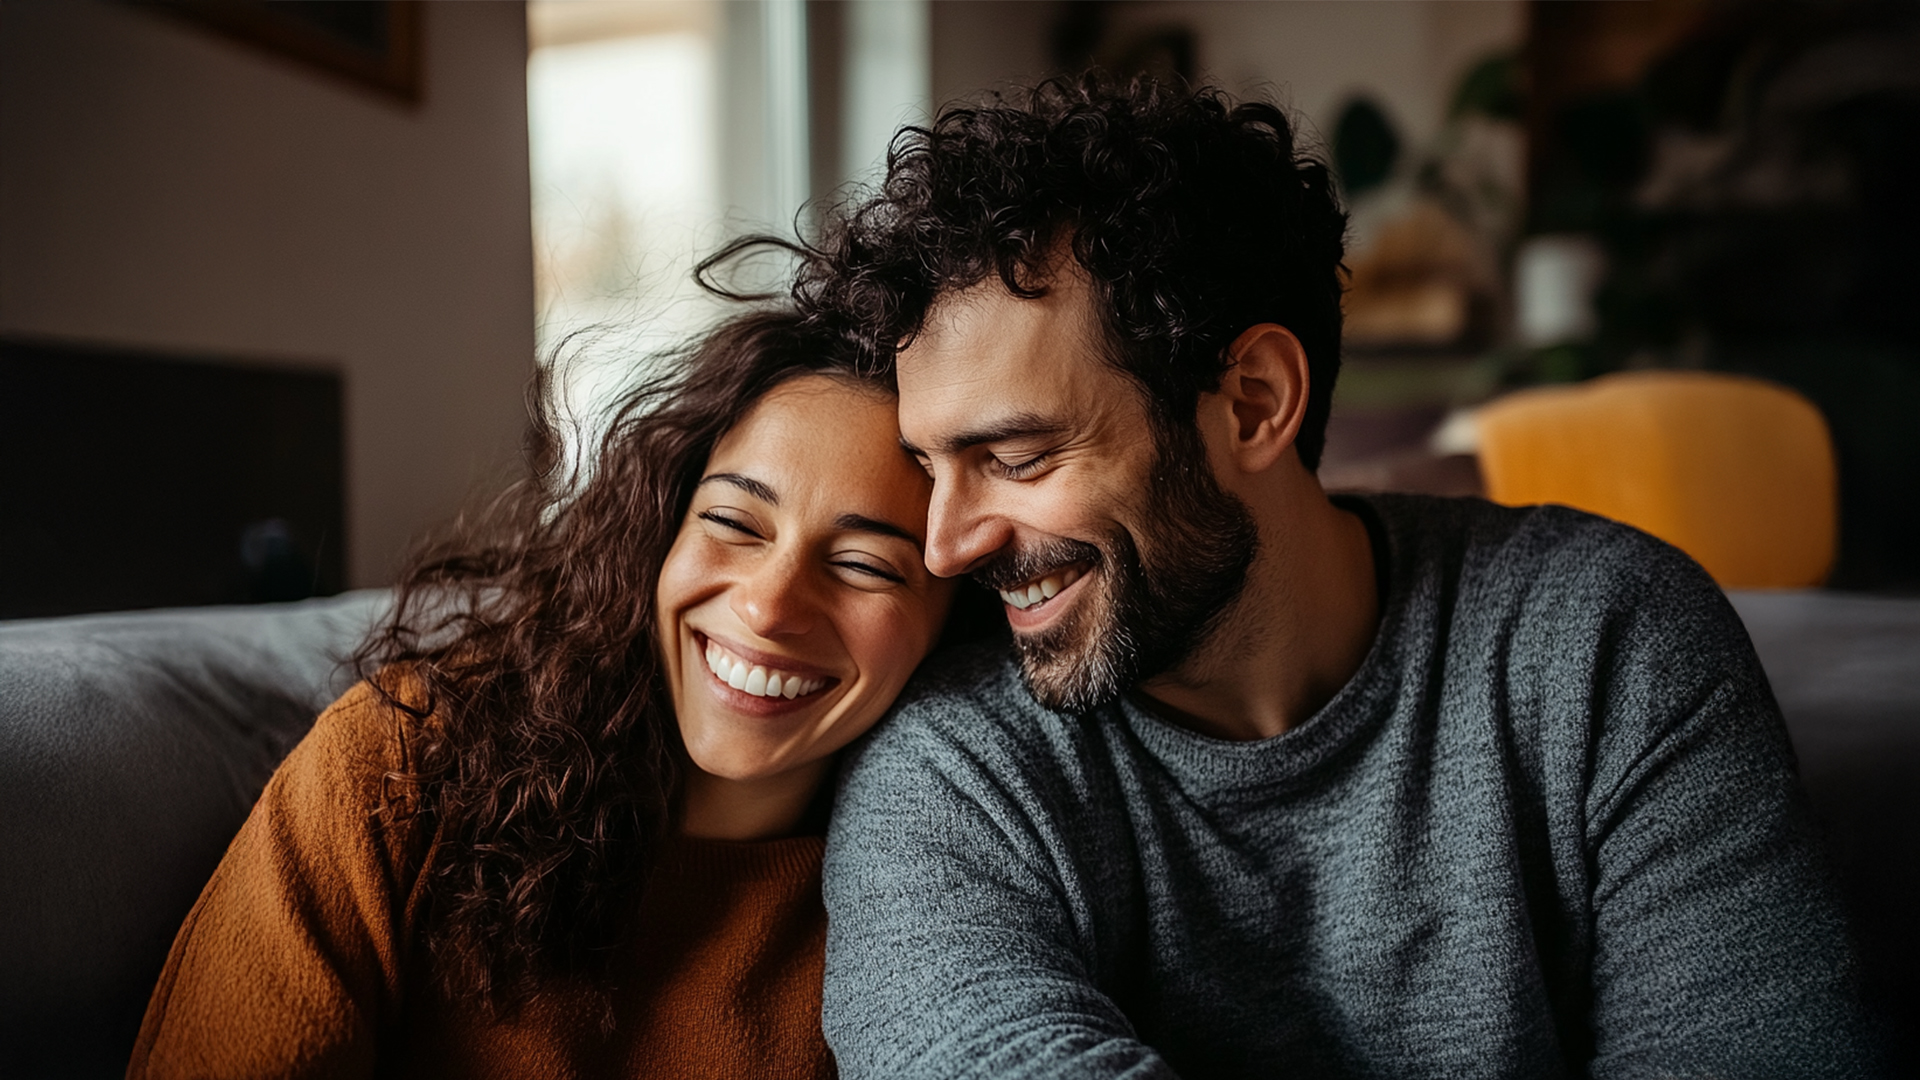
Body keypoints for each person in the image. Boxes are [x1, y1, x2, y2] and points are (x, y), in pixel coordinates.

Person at [799, 76, 1882, 1078]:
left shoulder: (1607, 641)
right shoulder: (952, 773)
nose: (947, 545)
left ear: (1257, 401)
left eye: (1018, 458)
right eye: (929, 466)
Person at [127, 309, 965, 1078]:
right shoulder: (401, 766)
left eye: (863, 566)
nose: (767, 605)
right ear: (660, 528)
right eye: (733, 523)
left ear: (951, 627)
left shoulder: (931, 922)